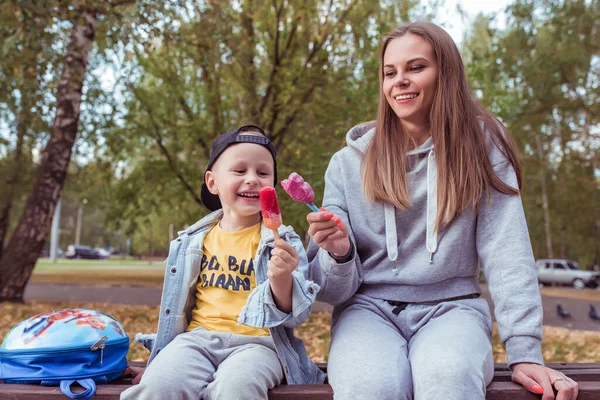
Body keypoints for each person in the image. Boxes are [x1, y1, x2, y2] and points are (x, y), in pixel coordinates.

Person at [306, 22, 579, 400]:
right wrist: (339, 253)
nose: (399, 80)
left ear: (446, 73)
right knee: (370, 386)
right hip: (366, 312)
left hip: (454, 310)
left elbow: (507, 252)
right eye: (390, 72)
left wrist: (524, 351)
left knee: (447, 378)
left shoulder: (483, 147)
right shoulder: (347, 164)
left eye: (416, 67)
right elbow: (332, 291)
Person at [121, 125, 325, 400]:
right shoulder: (192, 241)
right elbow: (177, 309)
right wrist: (161, 361)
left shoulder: (283, 242)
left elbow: (296, 314)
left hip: (260, 345)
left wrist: (281, 278)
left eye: (263, 173)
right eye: (240, 171)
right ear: (212, 182)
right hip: (196, 340)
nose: (253, 179)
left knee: (235, 389)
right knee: (158, 386)